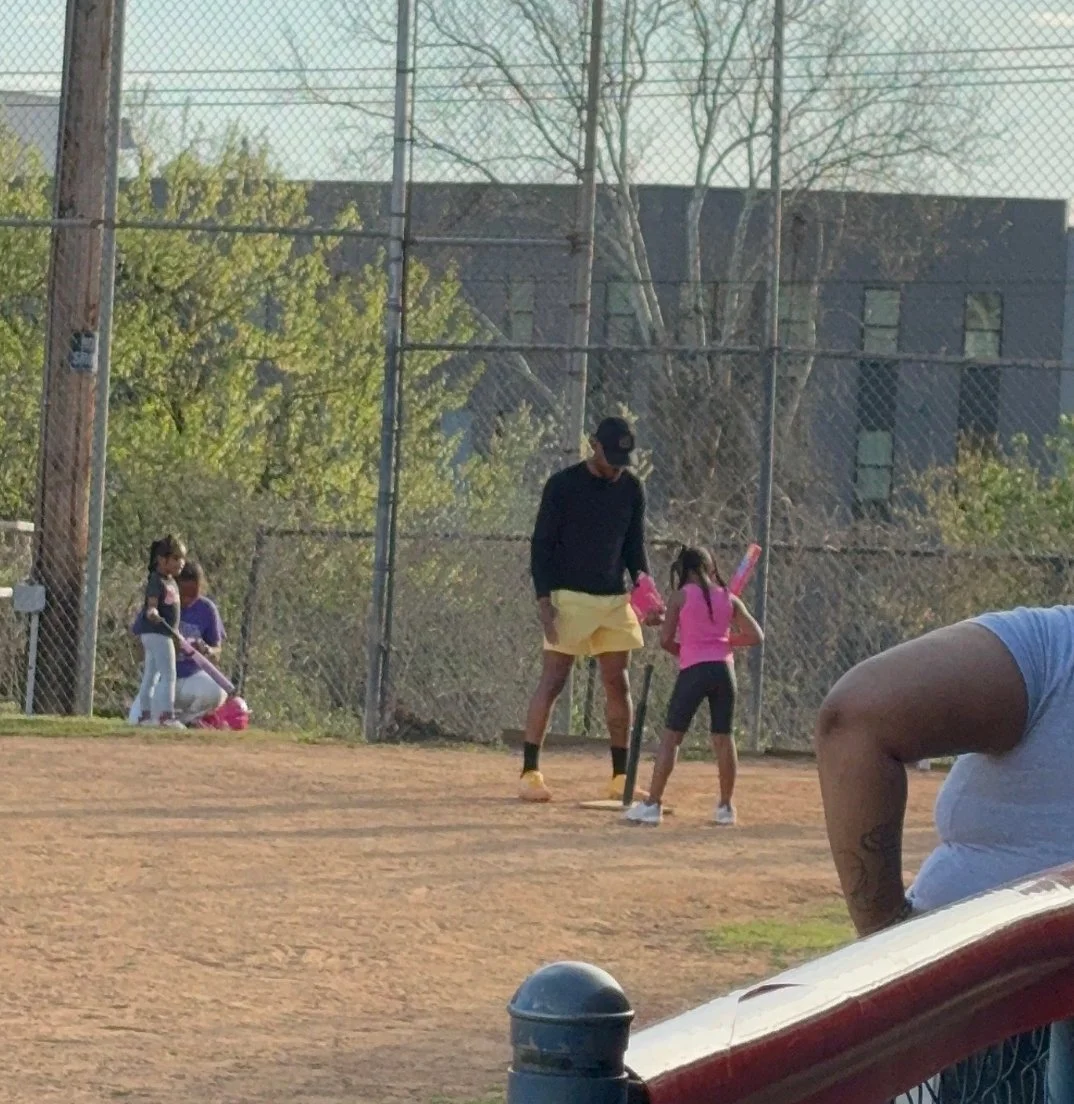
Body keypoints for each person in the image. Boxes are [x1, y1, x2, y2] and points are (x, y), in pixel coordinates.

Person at [814, 605, 1074, 1099]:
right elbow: (856, 723)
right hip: (982, 1019)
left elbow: (855, 719)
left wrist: (887, 938)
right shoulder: (1053, 650)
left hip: (986, 1019)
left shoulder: (1058, 646)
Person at [520, 416, 661, 803]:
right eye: (610, 456)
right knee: (554, 679)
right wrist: (544, 601)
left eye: (623, 459)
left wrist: (645, 593)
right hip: (568, 596)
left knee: (619, 682)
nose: (616, 467)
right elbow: (541, 545)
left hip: (613, 599)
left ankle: (620, 777)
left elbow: (635, 547)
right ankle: (530, 771)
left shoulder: (631, 488)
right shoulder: (563, 486)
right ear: (592, 445)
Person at [623, 546, 763, 827]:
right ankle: (725, 808)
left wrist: (687, 648)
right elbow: (755, 636)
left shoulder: (680, 596)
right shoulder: (729, 598)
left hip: (693, 671)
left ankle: (652, 805)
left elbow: (665, 640)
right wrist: (723, 643)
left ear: (683, 571)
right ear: (711, 569)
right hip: (724, 671)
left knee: (671, 738)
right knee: (724, 738)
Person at [128, 560, 227, 727]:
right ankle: (163, 717)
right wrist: (163, 645)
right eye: (184, 595)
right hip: (160, 680)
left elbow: (217, 652)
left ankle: (186, 720)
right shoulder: (159, 607)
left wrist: (206, 650)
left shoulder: (206, 609)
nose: (187, 601)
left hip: (190, 678)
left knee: (217, 691)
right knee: (136, 721)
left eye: (193, 595)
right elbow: (138, 644)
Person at [132, 535, 186, 728]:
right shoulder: (156, 580)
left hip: (164, 634)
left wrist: (176, 632)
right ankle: (166, 716)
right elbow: (152, 606)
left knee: (152, 674)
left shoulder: (171, 581)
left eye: (182, 558)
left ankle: (145, 716)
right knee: (169, 674)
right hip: (157, 634)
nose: (182, 563)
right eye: (177, 558)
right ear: (162, 560)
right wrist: (152, 612)